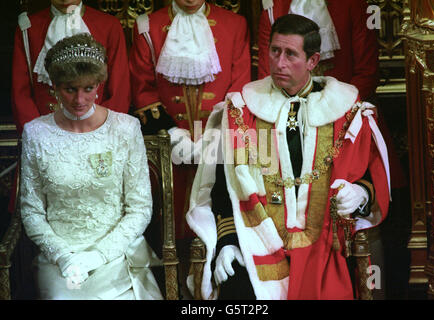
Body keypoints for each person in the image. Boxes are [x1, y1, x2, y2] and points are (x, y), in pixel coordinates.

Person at [186, 14, 391, 300]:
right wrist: (229, 242)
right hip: (256, 240)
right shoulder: (240, 109)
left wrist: (361, 194)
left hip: (324, 244)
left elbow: (367, 176)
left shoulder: (346, 110)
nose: (279, 63)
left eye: (291, 54)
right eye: (274, 51)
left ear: (313, 60)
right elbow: (224, 189)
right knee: (237, 291)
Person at [20, 33, 162, 300]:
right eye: (69, 89)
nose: (79, 99)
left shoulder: (126, 129)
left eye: (88, 88)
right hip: (60, 260)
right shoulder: (35, 133)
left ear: (99, 83)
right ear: (54, 85)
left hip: (116, 255)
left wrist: (99, 255)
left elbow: (140, 208)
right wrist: (63, 257)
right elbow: (31, 211)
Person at [128, 0, 251, 240]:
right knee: (170, 229)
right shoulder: (146, 26)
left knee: (219, 224)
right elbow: (141, 87)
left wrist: (216, 132)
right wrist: (171, 133)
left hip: (219, 143)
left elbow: (240, 85)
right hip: (168, 146)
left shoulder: (235, 24)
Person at [12, 0, 130, 134]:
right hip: (45, 133)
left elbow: (119, 87)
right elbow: (21, 91)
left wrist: (103, 130)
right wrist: (37, 133)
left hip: (98, 131)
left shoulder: (109, 25)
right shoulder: (28, 28)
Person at [258, 0, 379, 101]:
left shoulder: (355, 4)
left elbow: (367, 72)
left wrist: (339, 108)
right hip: (285, 107)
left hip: (343, 106)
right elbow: (267, 73)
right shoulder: (272, 8)